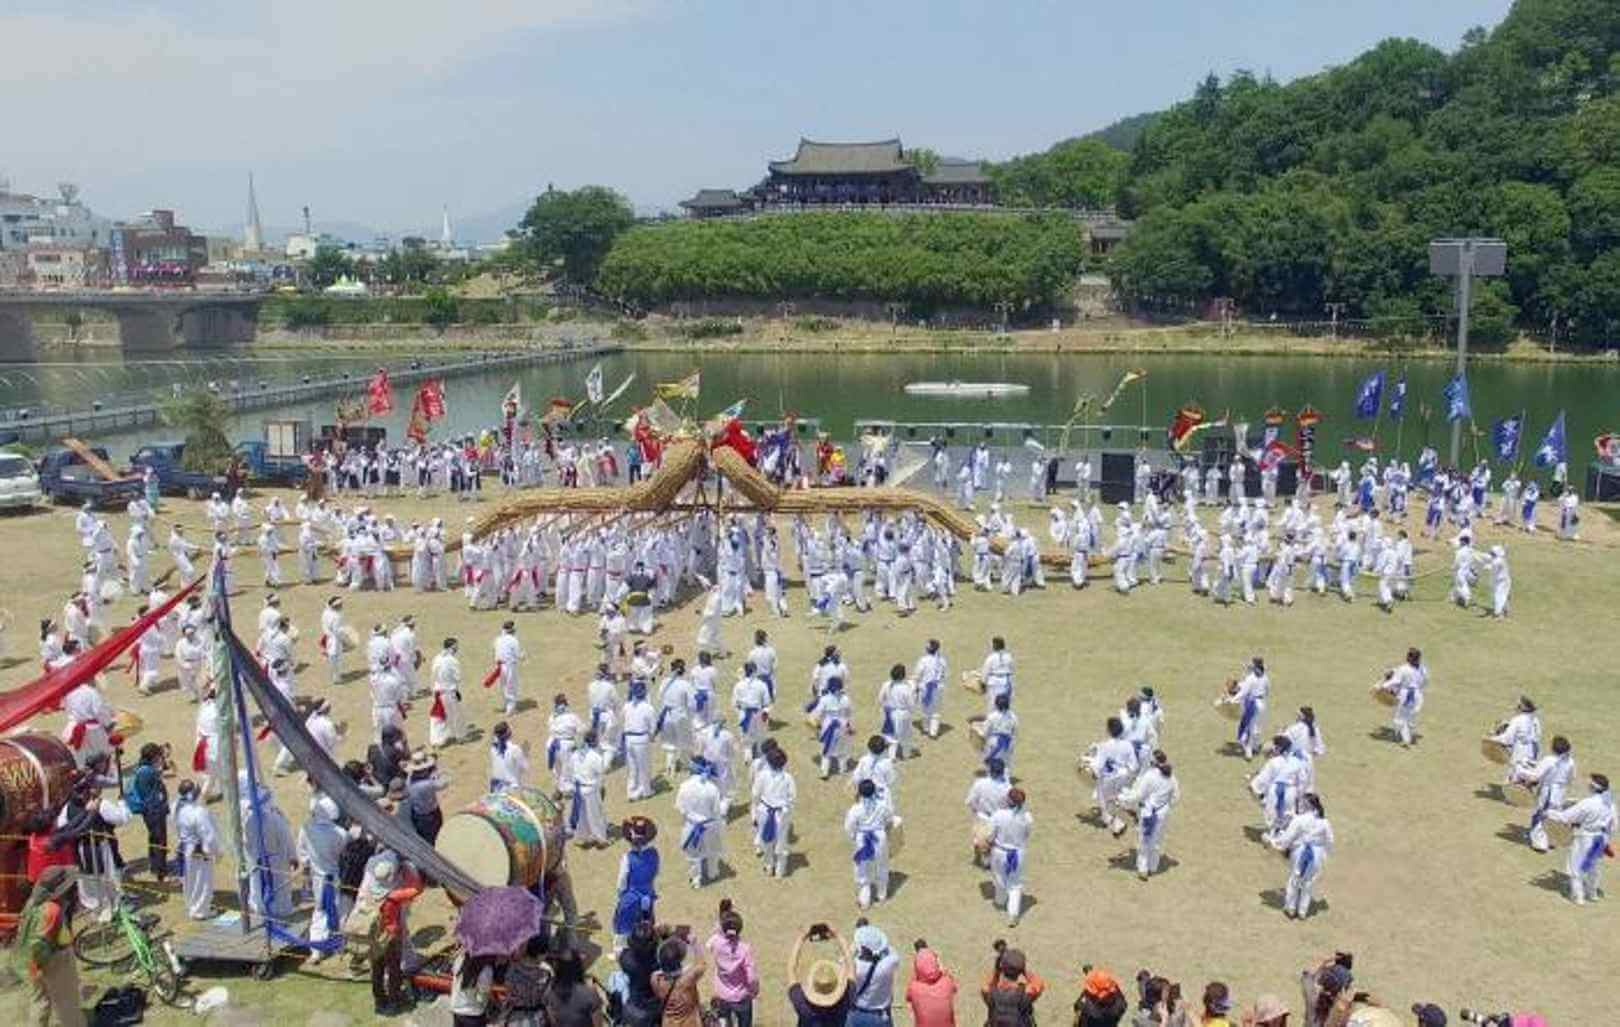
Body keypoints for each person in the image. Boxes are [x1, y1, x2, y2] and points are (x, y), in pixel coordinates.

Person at [14, 865, 85, 1027]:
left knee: (39, 1001)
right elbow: (61, 939)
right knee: (68, 1003)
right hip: (53, 961)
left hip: (31, 962)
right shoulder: (53, 910)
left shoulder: (32, 903)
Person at [1546, 772, 1616, 905]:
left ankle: (1578, 896)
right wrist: (1607, 839)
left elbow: (1565, 817)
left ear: (1593, 787)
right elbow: (1614, 824)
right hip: (1601, 838)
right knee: (1594, 866)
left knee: (1576, 866)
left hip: (1586, 837)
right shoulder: (1610, 803)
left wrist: (1549, 812)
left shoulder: (1587, 803)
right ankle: (1592, 893)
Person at [1271, 793, 1334, 919]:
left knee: (1295, 879)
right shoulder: (1324, 822)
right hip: (1317, 854)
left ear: (1307, 805)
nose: (1299, 805)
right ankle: (1302, 911)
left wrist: (1275, 843)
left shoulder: (1299, 820)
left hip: (1300, 852)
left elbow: (1287, 837)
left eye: (1301, 803)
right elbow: (1330, 841)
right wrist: (1324, 854)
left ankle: (1291, 908)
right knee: (1309, 882)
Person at [1123, 751, 1181, 880]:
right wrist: (1166, 806)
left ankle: (1143, 869)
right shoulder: (1171, 777)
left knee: (1144, 840)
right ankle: (1153, 867)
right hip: (1163, 813)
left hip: (1148, 812)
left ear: (1152, 763)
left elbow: (1139, 795)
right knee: (1157, 840)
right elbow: (1176, 797)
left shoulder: (1149, 776)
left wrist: (1124, 799)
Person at [706, 899, 760, 1027]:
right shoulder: (745, 949)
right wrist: (754, 990)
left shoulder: (715, 943)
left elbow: (710, 943)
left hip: (722, 993)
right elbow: (751, 978)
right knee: (744, 1022)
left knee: (724, 1021)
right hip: (741, 996)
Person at [845, 779, 898, 909]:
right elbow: (889, 818)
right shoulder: (882, 805)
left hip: (862, 838)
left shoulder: (856, 808)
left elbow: (849, 826)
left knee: (862, 869)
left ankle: (865, 901)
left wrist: (853, 837)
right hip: (879, 836)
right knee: (882, 865)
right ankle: (881, 896)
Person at [787, 923, 852, 1027]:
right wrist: (838, 935)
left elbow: (791, 969)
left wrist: (801, 938)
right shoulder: (846, 998)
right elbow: (851, 966)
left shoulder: (801, 1002)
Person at [173, 779, 218, 919]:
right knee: (202, 879)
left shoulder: (176, 806)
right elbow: (208, 835)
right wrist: (215, 851)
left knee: (190, 879)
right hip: (198, 848)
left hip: (184, 846)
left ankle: (192, 905)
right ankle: (201, 911)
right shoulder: (198, 812)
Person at [613, 815, 660, 950]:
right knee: (646, 922)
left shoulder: (627, 858)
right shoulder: (654, 853)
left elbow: (622, 881)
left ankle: (620, 951)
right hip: (648, 894)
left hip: (631, 897)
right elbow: (655, 872)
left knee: (622, 924)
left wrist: (621, 894)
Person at [987, 787, 1033, 926]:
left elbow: (990, 835)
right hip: (1018, 853)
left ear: (1009, 800)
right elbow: (1026, 834)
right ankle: (1013, 913)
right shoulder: (1027, 817)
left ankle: (1000, 900)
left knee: (999, 877)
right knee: (1015, 884)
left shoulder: (998, 815)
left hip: (999, 851)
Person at [127, 742, 171, 883]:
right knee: (159, 840)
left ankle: (155, 866)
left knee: (154, 839)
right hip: (154, 812)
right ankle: (160, 871)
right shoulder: (147, 772)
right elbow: (152, 793)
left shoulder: (143, 769)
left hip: (150, 812)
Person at [751, 745, 796, 878]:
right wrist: (787, 808)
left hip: (765, 810)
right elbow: (793, 797)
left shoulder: (763, 775)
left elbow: (755, 793)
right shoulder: (788, 778)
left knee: (766, 840)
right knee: (781, 841)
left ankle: (769, 865)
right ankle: (779, 871)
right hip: (781, 812)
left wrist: (755, 808)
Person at [847, 922, 900, 1027]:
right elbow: (890, 950)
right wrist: (879, 945)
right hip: (881, 1015)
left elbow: (843, 961)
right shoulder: (889, 963)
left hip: (857, 1013)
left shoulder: (855, 967)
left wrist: (853, 947)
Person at [983, 942, 1047, 1026]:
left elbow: (987, 985)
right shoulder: (1025, 994)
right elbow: (1039, 984)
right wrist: (1023, 970)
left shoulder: (991, 993)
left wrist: (997, 970)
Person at [651, 935, 707, 1027]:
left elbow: (660, 972)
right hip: (690, 1023)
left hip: (668, 1023)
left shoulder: (655, 978)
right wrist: (695, 944)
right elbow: (702, 964)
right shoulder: (687, 979)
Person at [1378, 647, 1429, 747]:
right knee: (1412, 716)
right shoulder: (1423, 668)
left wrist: (1382, 686)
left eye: (1408, 656)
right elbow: (1426, 681)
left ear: (1409, 658)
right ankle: (1407, 735)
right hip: (1418, 695)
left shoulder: (1404, 669)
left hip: (1406, 695)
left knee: (1400, 717)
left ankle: (1404, 739)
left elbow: (1395, 681)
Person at [544, 946, 605, 1027]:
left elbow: (553, 1022)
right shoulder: (590, 993)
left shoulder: (549, 992)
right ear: (579, 967)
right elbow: (598, 1024)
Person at [905, 939, 959, 1027]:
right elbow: (954, 988)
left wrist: (916, 974)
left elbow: (908, 998)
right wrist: (942, 970)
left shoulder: (914, 988)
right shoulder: (947, 982)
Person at [448, 950, 496, 1027]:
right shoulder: (486, 970)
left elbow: (454, 975)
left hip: (457, 1008)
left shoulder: (460, 960)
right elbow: (482, 996)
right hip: (473, 1013)